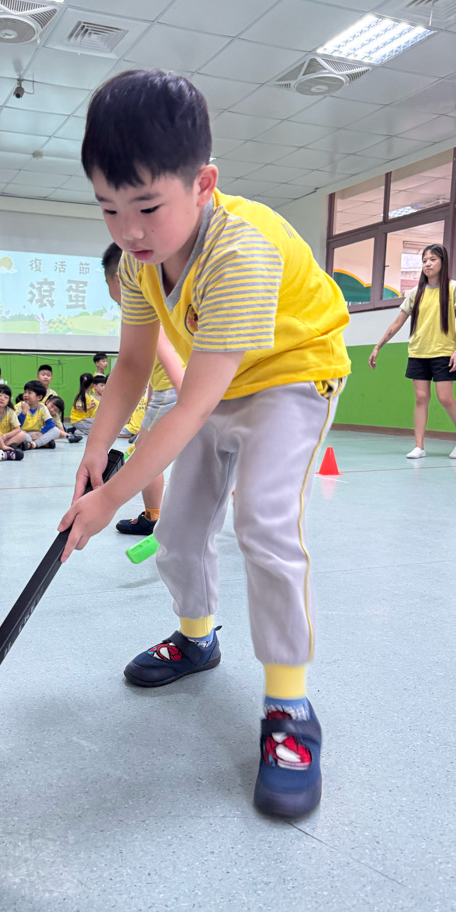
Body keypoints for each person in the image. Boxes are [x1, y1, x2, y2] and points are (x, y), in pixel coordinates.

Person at [58, 69, 351, 820]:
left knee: (264, 525)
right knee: (180, 528)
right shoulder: (139, 262)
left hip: (291, 376)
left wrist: (110, 500)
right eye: (108, 208)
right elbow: (131, 366)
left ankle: (290, 708)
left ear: (203, 184)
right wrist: (97, 452)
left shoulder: (240, 253)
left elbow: (189, 405)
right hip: (218, 381)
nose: (128, 230)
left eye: (146, 207)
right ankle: (197, 639)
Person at [101, 242, 186, 536]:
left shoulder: (145, 307)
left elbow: (165, 357)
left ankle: (152, 517)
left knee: (145, 458)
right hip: (170, 391)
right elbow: (151, 369)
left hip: (177, 392)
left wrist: (192, 404)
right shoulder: (166, 299)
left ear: (119, 278)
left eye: (108, 285)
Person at [369, 244, 456, 459]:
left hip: (444, 352)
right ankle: (419, 446)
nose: (427, 264)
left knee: (445, 398)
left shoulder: (454, 287)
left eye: (432, 259)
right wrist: (378, 346)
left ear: (443, 262)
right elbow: (398, 322)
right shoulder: (416, 293)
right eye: (424, 260)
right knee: (421, 397)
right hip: (418, 352)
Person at [16, 380, 61, 449]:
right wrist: (23, 413)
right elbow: (16, 426)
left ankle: (32, 444)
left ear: (39, 397)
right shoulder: (19, 406)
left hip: (36, 433)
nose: (25, 395)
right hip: (23, 433)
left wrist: (39, 434)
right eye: (25, 392)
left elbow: (50, 423)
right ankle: (42, 443)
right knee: (22, 435)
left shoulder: (42, 407)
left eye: (29, 393)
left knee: (56, 431)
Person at [66, 372, 100, 438]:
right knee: (95, 430)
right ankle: (75, 430)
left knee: (98, 424)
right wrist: (89, 407)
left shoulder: (87, 394)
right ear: (91, 384)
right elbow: (78, 407)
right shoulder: (82, 395)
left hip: (84, 419)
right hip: (78, 420)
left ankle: (79, 430)